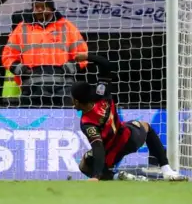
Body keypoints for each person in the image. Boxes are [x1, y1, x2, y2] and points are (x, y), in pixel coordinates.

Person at [72, 53, 187, 182]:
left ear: (77, 101)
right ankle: (167, 170)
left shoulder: (87, 122)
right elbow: (105, 64)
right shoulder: (102, 92)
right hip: (130, 137)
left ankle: (116, 176)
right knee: (146, 126)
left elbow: (98, 147)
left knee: (84, 165)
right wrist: (87, 56)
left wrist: (96, 176)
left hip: (111, 152)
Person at [1, 0, 88, 107]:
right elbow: (8, 55)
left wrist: (70, 67)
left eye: (43, 6)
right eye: (36, 6)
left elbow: (83, 53)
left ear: (51, 7)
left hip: (63, 88)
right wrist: (21, 69)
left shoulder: (66, 27)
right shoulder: (22, 28)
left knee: (64, 122)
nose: (40, 9)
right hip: (32, 88)